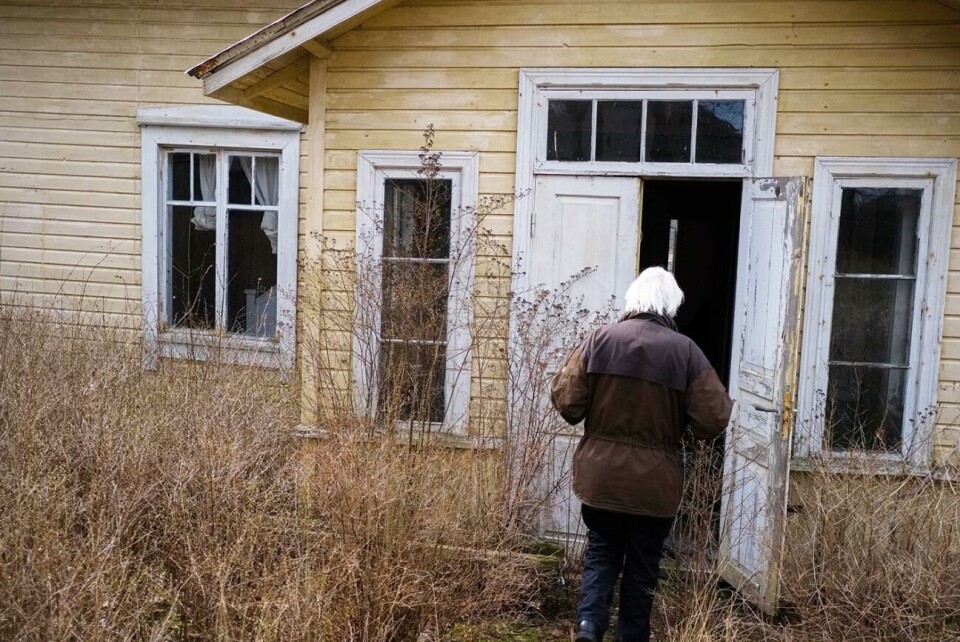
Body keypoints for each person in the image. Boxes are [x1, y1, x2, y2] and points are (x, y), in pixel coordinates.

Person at [550, 267, 733, 642]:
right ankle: (631, 635)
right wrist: (680, 422)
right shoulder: (685, 352)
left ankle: (588, 628)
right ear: (672, 305)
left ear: (633, 299)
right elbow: (714, 418)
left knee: (602, 552)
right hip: (655, 485)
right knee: (643, 565)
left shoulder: (599, 340)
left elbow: (568, 402)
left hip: (602, 480)